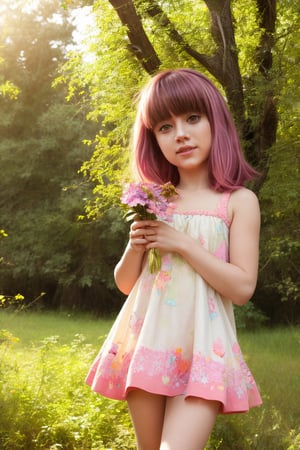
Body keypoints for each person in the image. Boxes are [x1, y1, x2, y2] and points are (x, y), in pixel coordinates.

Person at [86, 68, 262, 450]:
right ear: (154, 140)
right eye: (165, 127)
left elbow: (243, 287)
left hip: (204, 350)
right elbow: (127, 284)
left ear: (216, 122)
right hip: (148, 345)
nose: (180, 133)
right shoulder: (155, 200)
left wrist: (182, 243)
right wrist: (136, 243)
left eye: (192, 119)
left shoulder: (237, 202)